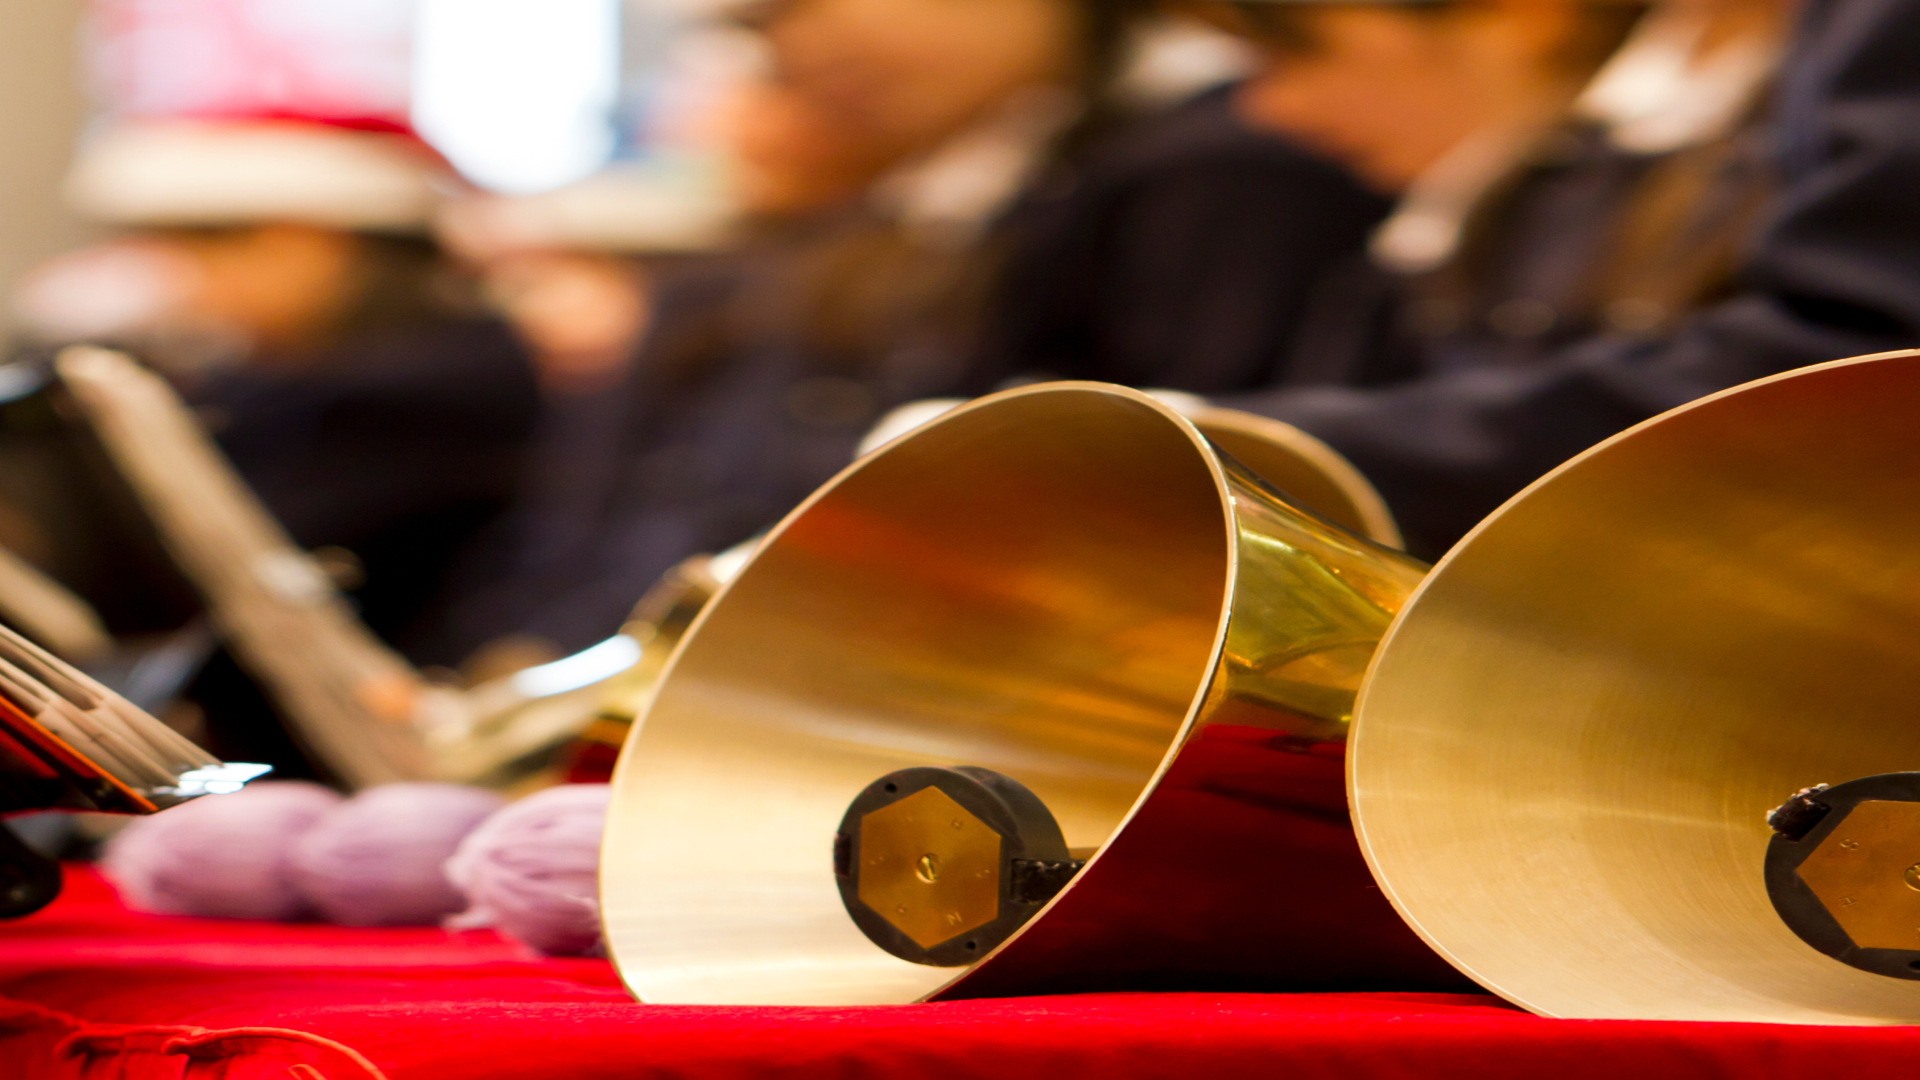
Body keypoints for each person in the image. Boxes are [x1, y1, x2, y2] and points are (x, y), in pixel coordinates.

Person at [434, 0, 1391, 659]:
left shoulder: (1215, 169)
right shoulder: (979, 188)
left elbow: (1192, 494)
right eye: (764, 29)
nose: (795, 52)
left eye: (807, 6)